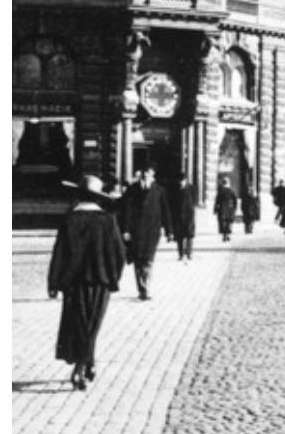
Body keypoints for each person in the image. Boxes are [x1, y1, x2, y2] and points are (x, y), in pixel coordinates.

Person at [49, 175, 125, 388]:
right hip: (100, 280)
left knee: (80, 323)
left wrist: (54, 282)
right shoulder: (107, 220)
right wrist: (113, 276)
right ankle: (81, 368)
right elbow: (119, 253)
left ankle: (86, 364)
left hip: (74, 282)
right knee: (93, 324)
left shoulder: (69, 219)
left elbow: (59, 253)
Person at [122, 165, 173, 299]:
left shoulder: (160, 191)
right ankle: (141, 288)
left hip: (152, 231)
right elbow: (126, 210)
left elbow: (166, 211)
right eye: (144, 173)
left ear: (153, 175)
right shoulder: (132, 189)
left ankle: (146, 288)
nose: (146, 175)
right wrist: (126, 229)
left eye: (149, 173)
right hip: (136, 231)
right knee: (138, 260)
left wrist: (169, 231)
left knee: (149, 259)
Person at [171, 172, 196, 261]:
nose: (181, 182)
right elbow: (173, 202)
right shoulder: (175, 189)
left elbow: (194, 201)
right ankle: (181, 254)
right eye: (180, 181)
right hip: (178, 216)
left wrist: (191, 212)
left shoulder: (191, 188)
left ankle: (189, 253)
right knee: (179, 236)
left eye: (182, 181)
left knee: (189, 235)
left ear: (185, 180)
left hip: (189, 215)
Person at [214, 175, 238, 242]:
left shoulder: (221, 191)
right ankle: (227, 235)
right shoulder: (231, 191)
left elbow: (217, 201)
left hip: (223, 209)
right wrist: (234, 208)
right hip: (229, 209)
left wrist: (215, 209)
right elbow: (235, 200)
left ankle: (225, 235)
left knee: (224, 223)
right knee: (228, 222)